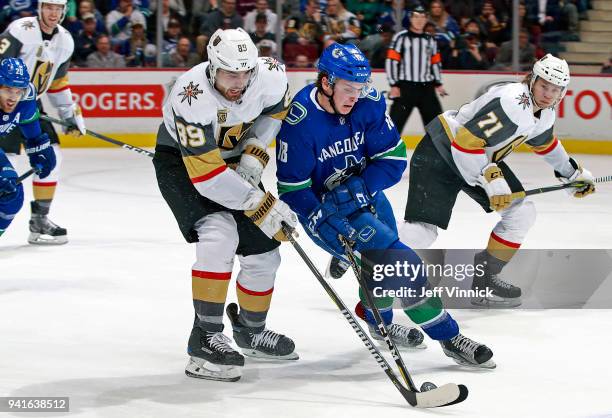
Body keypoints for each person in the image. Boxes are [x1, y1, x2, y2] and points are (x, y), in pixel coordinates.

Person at [276, 43, 494, 369]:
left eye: (360, 88)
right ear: (326, 83)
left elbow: (392, 160)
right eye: (348, 89)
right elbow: (292, 188)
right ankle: (449, 338)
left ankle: (378, 322)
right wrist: (320, 216)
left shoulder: (370, 104)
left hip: (368, 197)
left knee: (381, 271)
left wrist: (362, 188)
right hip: (328, 213)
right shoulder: (300, 123)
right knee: (403, 267)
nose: (355, 96)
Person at [152, 28, 298, 382]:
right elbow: (207, 177)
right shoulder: (191, 96)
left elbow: (272, 117)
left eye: (245, 74)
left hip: (234, 160)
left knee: (266, 251)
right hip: (184, 163)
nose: (239, 82)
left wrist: (253, 158)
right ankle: (204, 338)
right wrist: (261, 205)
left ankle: (250, 330)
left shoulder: (271, 76)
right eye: (231, 74)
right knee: (219, 234)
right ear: (213, 67)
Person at [399, 54, 595, 307]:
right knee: (421, 232)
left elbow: (545, 144)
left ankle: (485, 279)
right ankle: (366, 248)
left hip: (476, 156)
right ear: (532, 80)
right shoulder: (513, 101)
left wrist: (572, 173)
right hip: (442, 151)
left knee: (521, 213)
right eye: (545, 85)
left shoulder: (544, 113)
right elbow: (465, 142)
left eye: (556, 89)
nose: (549, 93)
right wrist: (491, 176)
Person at [0, 0, 86, 245]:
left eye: (58, 9)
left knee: (51, 155)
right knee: (8, 165)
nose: (53, 13)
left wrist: (69, 113)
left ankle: (40, 218)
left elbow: (58, 82)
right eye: (49, 7)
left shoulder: (65, 40)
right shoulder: (21, 29)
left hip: (29, 103)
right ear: (40, 8)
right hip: (4, 101)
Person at [0, 58, 56, 237]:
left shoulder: (27, 96)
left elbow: (31, 129)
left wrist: (40, 149)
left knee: (12, 195)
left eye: (19, 91)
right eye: (8, 89)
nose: (13, 97)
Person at [385, 4, 447, 137]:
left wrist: (438, 83)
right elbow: (391, 61)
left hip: (427, 88)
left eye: (422, 17)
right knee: (394, 124)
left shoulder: (430, 39)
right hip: (405, 87)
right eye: (416, 17)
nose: (419, 20)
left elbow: (435, 62)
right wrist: (394, 85)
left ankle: (437, 155)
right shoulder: (400, 37)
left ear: (426, 19)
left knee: (437, 126)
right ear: (411, 18)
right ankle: (386, 153)